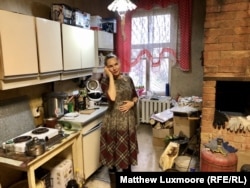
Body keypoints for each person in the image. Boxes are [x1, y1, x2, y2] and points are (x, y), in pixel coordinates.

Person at [99, 53, 139, 188]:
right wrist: (109, 77)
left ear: (120, 63)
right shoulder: (104, 82)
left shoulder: (128, 79)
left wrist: (132, 103)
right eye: (110, 66)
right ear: (106, 68)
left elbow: (135, 95)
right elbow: (112, 97)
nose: (114, 68)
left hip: (127, 122)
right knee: (113, 159)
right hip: (112, 123)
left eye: (116, 64)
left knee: (126, 159)